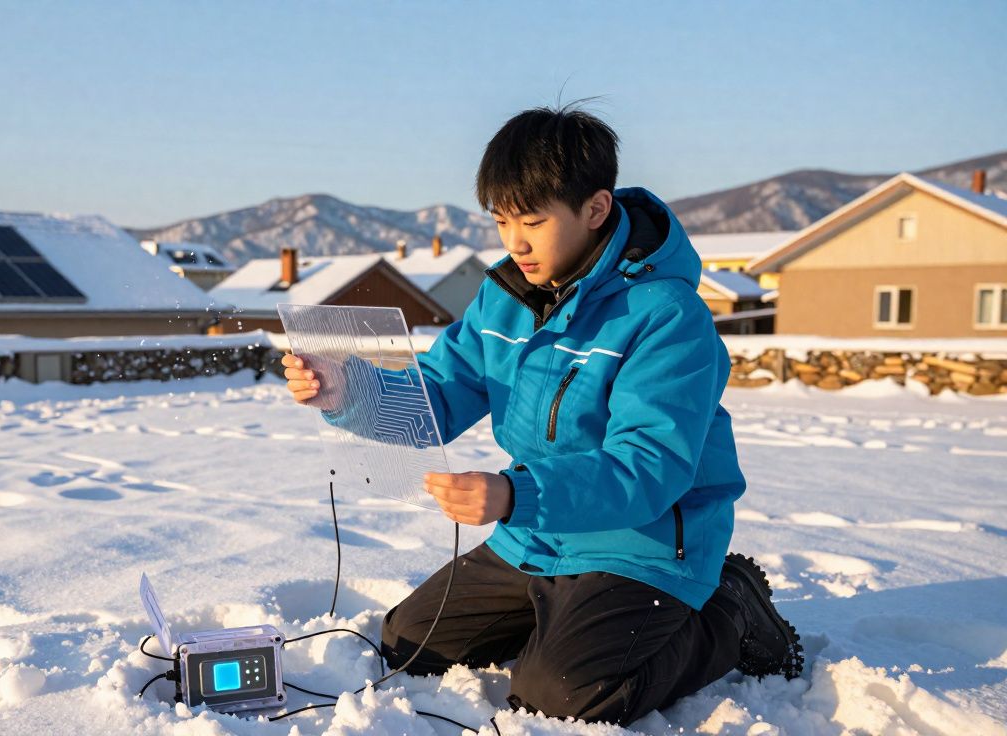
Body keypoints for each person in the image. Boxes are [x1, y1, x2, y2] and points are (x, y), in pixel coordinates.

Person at [280, 105, 802, 726]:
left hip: (643, 544)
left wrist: (511, 495)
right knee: (406, 643)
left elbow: (649, 466)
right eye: (502, 221)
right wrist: (348, 391)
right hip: (536, 537)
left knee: (562, 697)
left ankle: (730, 611)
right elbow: (440, 393)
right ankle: (562, 618)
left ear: (596, 209)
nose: (514, 242)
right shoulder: (505, 298)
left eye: (532, 220)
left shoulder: (667, 317)